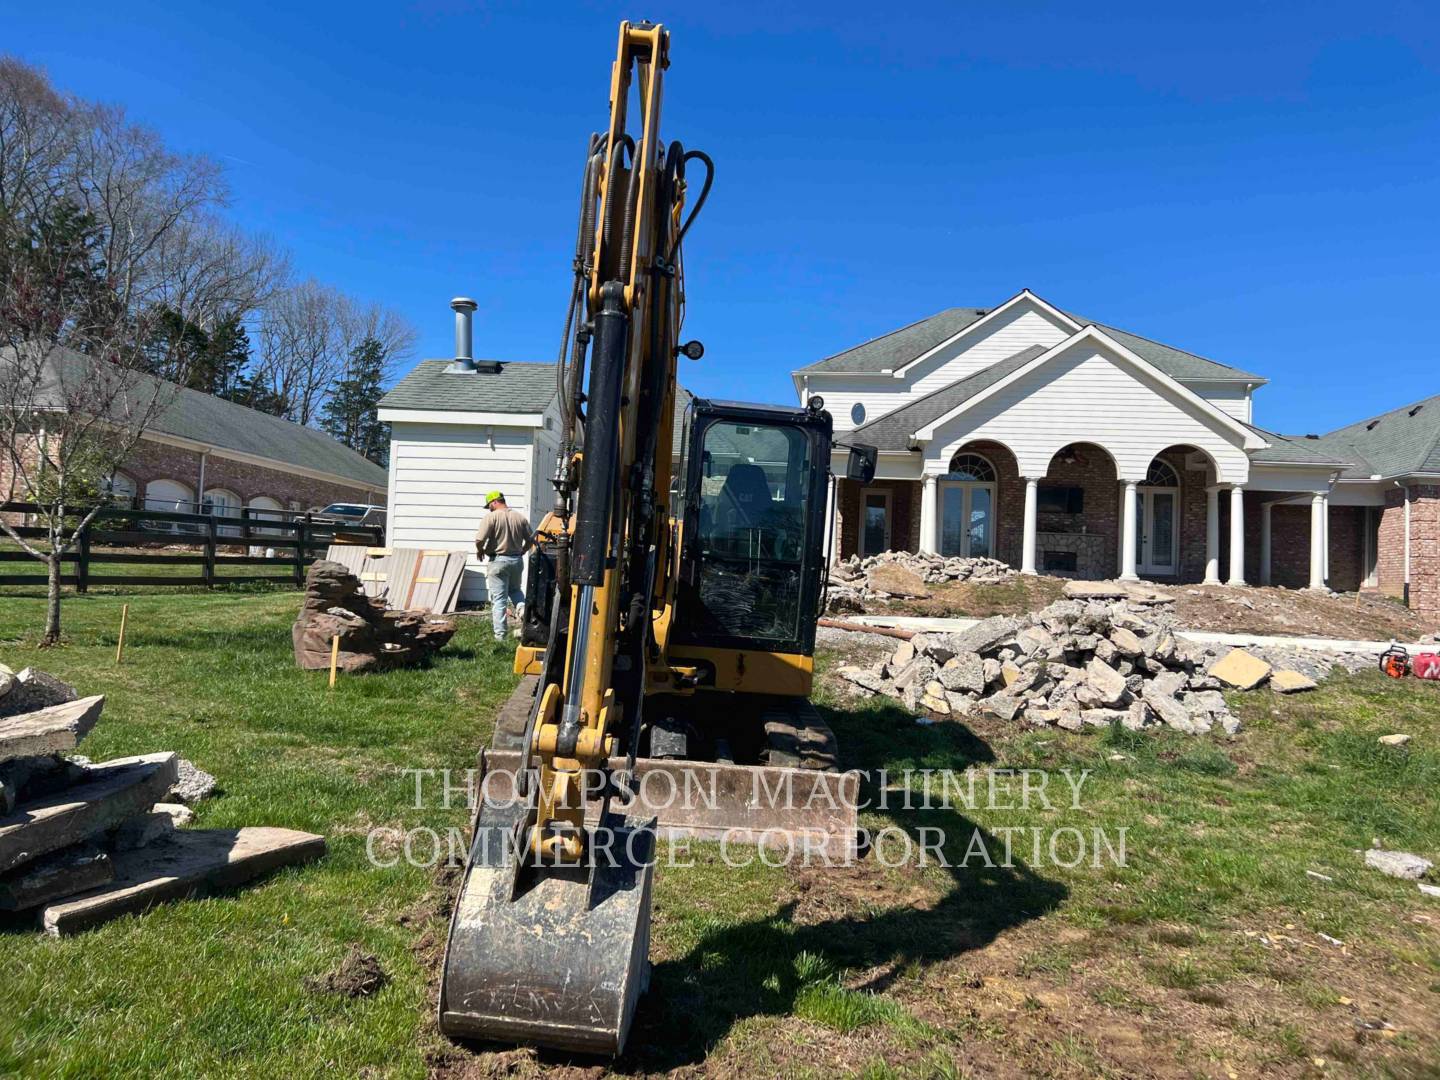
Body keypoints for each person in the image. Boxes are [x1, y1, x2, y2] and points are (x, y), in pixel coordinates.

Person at [474, 491, 534, 642]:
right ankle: (524, 613)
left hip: (498, 561)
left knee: (499, 599)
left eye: (489, 506)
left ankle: (500, 637)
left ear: (494, 502)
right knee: (515, 591)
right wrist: (523, 551)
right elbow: (531, 539)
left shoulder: (492, 517)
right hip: (516, 561)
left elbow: (480, 539)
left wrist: (480, 550)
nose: (489, 509)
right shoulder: (520, 517)